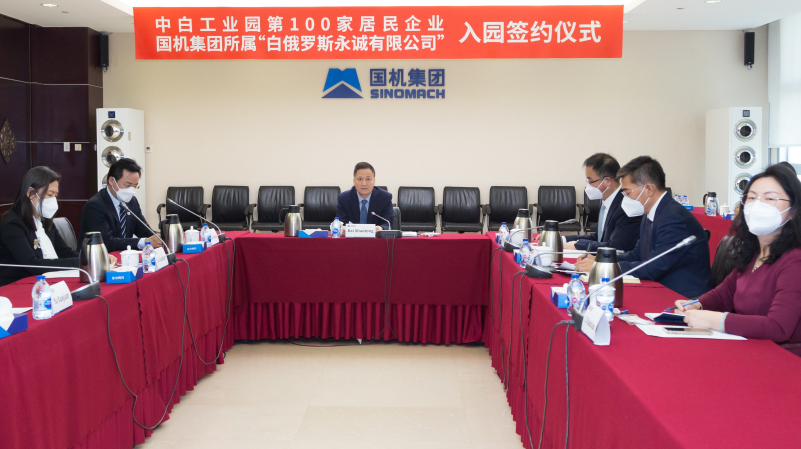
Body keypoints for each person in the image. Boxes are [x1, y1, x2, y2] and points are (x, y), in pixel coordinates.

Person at [677, 165, 801, 355]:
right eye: (751, 198)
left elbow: (778, 327)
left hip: (782, 358)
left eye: (769, 198)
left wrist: (714, 320)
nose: (758, 205)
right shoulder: (753, 252)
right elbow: (723, 295)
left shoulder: (795, 259)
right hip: (749, 348)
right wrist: (696, 305)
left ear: (793, 211)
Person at [575, 156, 711, 298]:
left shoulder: (673, 218)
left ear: (649, 189)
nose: (625, 198)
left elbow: (654, 267)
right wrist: (602, 260)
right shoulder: (650, 212)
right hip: (660, 288)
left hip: (683, 297)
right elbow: (637, 254)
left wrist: (604, 268)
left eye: (627, 193)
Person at [0, 167, 116, 287]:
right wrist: (83, 262)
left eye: (55, 195)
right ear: (30, 193)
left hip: (46, 282)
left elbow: (65, 252)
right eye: (49, 194)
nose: (53, 200)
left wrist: (94, 257)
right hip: (18, 286)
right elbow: (33, 264)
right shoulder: (12, 224)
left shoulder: (44, 221)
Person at [79, 158, 161, 252]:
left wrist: (162, 237)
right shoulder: (95, 206)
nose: (131, 190)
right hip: (99, 257)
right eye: (127, 185)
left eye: (135, 186)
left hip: (124, 257)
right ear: (111, 181)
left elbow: (144, 231)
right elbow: (106, 242)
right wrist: (144, 242)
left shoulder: (132, 201)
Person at [564, 153, 641, 252]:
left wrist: (578, 245)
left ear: (607, 181)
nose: (588, 186)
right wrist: (563, 239)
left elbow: (616, 247)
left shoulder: (626, 207)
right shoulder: (606, 202)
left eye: (591, 182)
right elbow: (598, 237)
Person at [336, 162, 394, 231]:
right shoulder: (344, 198)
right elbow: (341, 222)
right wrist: (342, 228)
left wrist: (381, 228)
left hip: (375, 237)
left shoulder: (385, 198)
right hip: (352, 237)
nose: (364, 183)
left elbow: (388, 223)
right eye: (360, 179)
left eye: (368, 179)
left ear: (374, 181)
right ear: (354, 181)